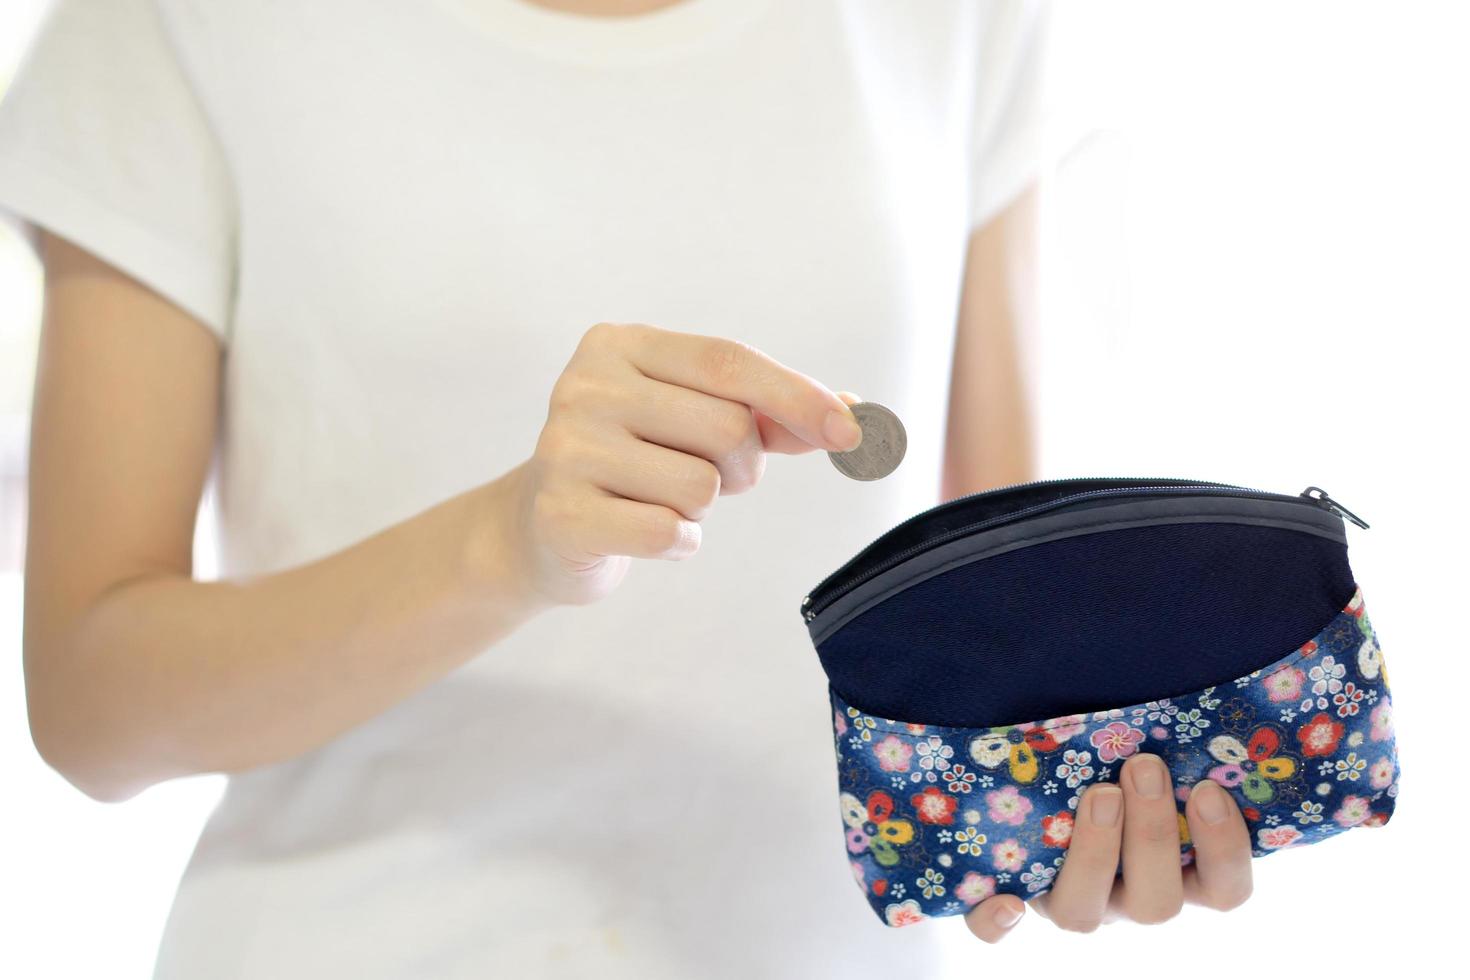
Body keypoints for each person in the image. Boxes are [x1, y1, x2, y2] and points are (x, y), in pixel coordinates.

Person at [0, 1, 1255, 976]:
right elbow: (90, 700)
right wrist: (504, 545)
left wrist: (1093, 795)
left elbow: (1002, 621)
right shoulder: (176, 26)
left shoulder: (958, 16)